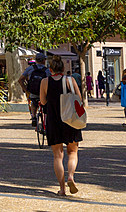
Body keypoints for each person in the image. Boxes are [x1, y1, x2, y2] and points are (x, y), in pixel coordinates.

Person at [40, 55, 81, 197]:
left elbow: (43, 102)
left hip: (53, 120)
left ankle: (62, 189)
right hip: (70, 120)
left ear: (50, 69)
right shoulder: (70, 80)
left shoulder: (45, 82)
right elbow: (79, 99)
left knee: (58, 156)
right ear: (63, 68)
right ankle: (71, 176)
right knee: (72, 152)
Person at [17, 52, 49, 126]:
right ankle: (47, 121)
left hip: (33, 92)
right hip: (44, 93)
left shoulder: (30, 69)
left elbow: (20, 80)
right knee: (47, 105)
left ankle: (34, 117)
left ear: (36, 60)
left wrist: (26, 90)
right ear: (44, 60)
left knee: (34, 103)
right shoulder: (47, 70)